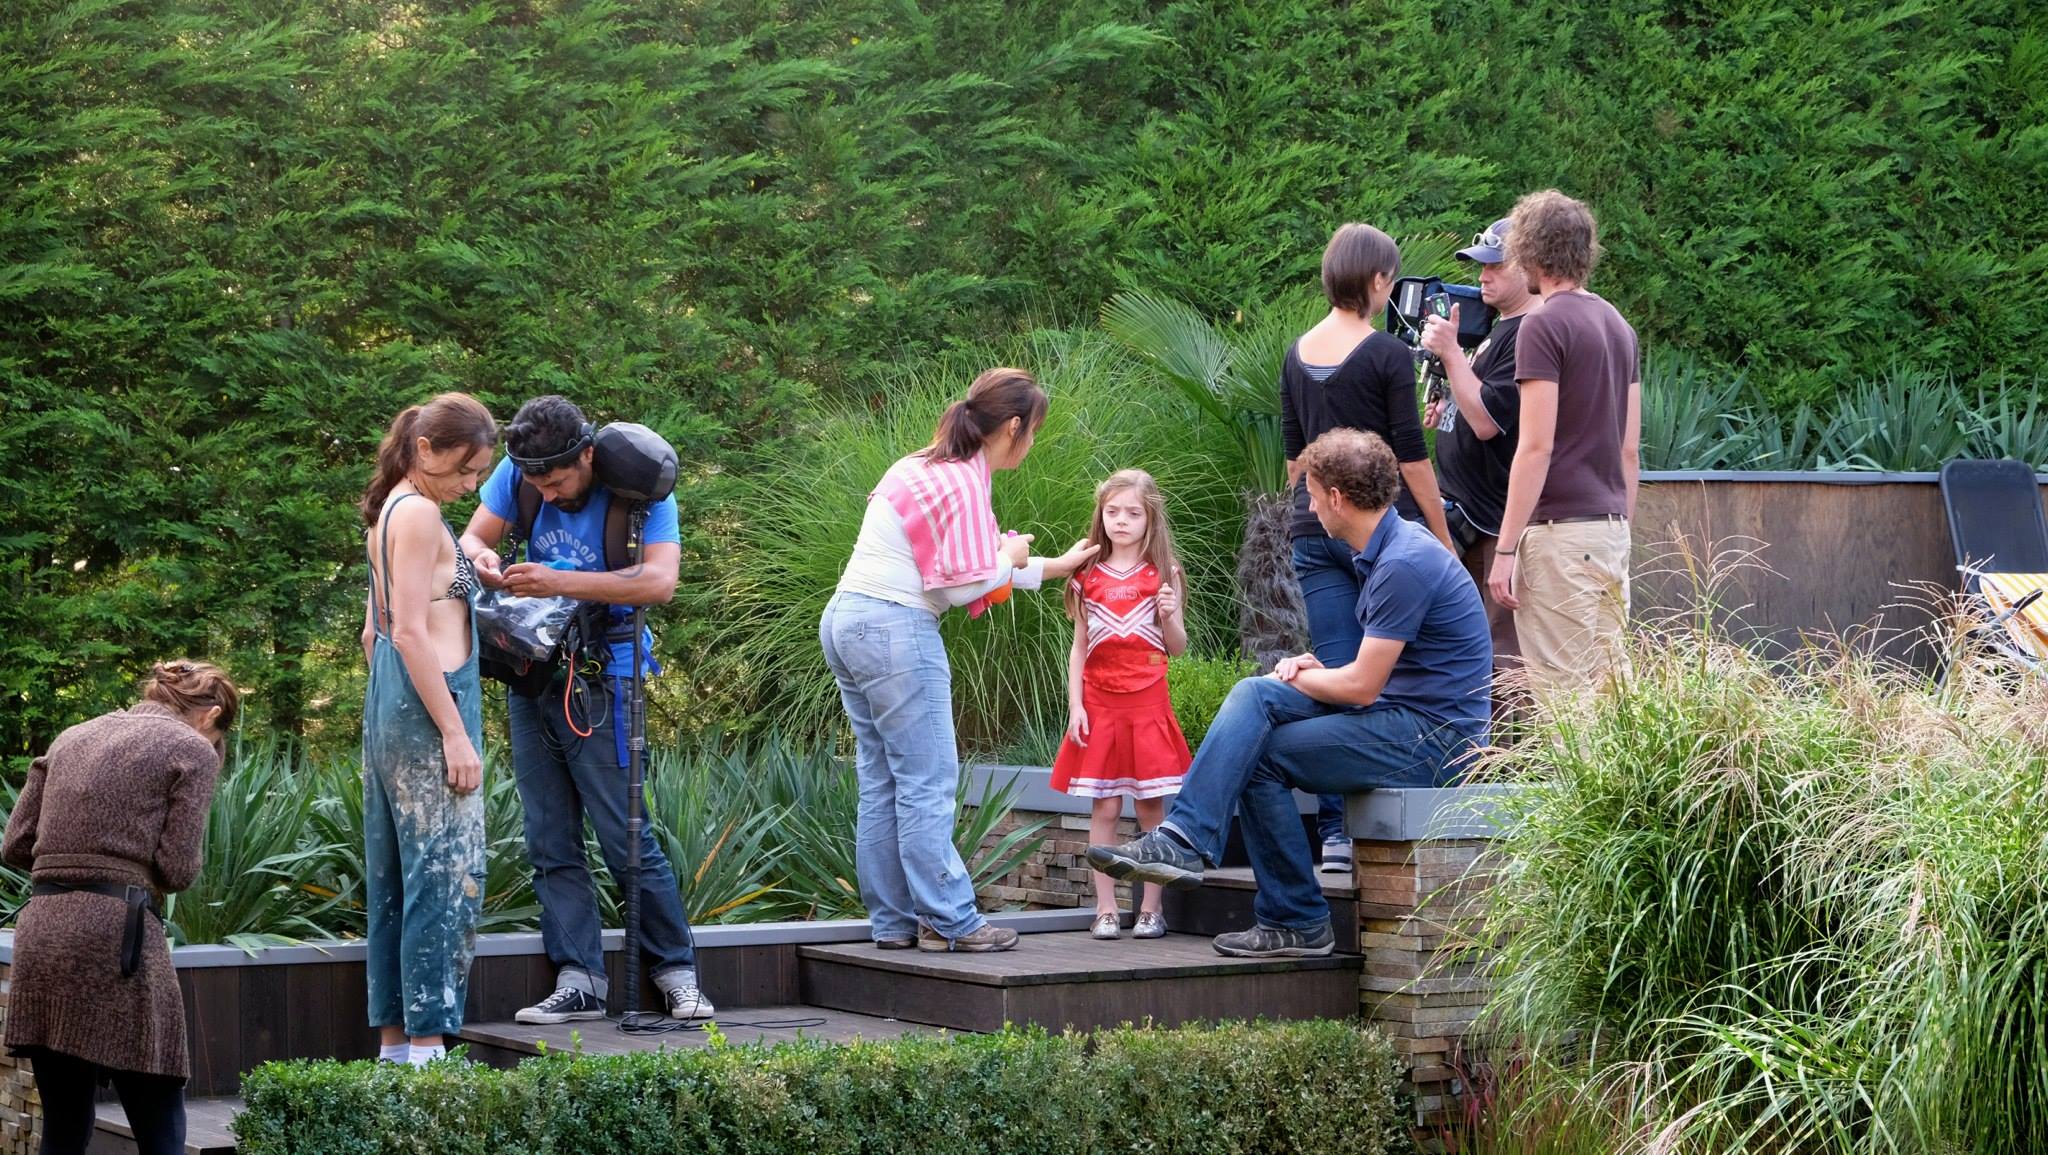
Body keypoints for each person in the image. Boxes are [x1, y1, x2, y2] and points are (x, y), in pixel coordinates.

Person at [1087, 429, 1491, 958]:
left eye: (1312, 495)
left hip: (1433, 741)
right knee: (1257, 699)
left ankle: (1273, 903)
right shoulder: (1385, 550)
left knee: (1262, 739)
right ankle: (1206, 855)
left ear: (1337, 499)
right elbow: (1379, 669)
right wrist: (1315, 666)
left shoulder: (1403, 562)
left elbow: (1363, 687)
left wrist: (1302, 676)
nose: (1309, 507)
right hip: (1400, 714)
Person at [822, 367, 1098, 953]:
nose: (1032, 442)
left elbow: (982, 565)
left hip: (846, 619)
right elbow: (962, 586)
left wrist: (1054, 564)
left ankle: (895, 923)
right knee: (928, 783)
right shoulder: (965, 484)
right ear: (1014, 427)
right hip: (897, 626)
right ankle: (952, 919)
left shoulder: (924, 465)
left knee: (882, 782)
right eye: (1034, 431)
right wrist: (1010, 551)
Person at [458, 395, 707, 1023]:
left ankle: (676, 973)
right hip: (532, 666)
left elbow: (659, 583)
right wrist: (484, 561)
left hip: (606, 675)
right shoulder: (518, 472)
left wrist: (557, 581)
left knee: (626, 834)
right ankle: (580, 980)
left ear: (587, 454)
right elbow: (472, 539)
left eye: (558, 479)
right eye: (536, 481)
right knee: (549, 836)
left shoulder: (642, 488)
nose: (547, 491)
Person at [4, 661, 240, 1155]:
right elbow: (177, 869)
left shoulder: (72, 736)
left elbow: (16, 846)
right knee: (161, 1130)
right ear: (211, 714)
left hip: (43, 936)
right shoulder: (191, 750)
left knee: (65, 1127)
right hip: (117, 943)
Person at [1280, 223, 1454, 877]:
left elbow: (1295, 457)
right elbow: (1412, 457)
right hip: (1380, 538)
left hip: (1314, 529)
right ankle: (1381, 819)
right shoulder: (1386, 354)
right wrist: (1440, 535)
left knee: (1335, 672)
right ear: (1379, 281)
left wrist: (1314, 508)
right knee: (1384, 676)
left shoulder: (1295, 353)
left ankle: (1335, 835)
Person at [359, 393, 497, 1065]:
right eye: (463, 469)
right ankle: (427, 1050)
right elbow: (410, 629)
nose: (469, 485)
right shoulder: (417, 513)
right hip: (431, 704)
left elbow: (374, 630)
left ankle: (395, 1049)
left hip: (395, 701)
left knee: (394, 878)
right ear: (425, 451)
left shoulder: (392, 509)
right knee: (446, 876)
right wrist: (451, 731)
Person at [1487, 190, 1641, 694]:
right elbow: (1628, 450)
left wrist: (1505, 550)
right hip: (1612, 532)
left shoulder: (1542, 324)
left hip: (1559, 538)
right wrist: (1621, 532)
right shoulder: (1619, 325)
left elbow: (1535, 446)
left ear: (1530, 252)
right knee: (1614, 703)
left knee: (1565, 706)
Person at [1049, 469, 1191, 941]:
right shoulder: (1085, 576)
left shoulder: (1165, 573)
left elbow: (1177, 647)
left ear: (1150, 517)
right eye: (1112, 511)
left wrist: (1170, 616)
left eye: (1133, 512)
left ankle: (1151, 908)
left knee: (1152, 806)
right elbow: (1079, 645)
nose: (1121, 521)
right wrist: (1076, 704)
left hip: (1148, 701)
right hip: (1099, 704)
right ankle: (1106, 908)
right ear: (1101, 514)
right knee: (1105, 808)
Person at [1420, 217, 1537, 676]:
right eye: (1479, 267)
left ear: (1528, 269)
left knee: (1500, 652)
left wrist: (1451, 354)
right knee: (1463, 646)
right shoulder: (1495, 329)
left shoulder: (1529, 331)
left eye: (1495, 266)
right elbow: (1476, 404)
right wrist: (1448, 405)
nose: (1482, 276)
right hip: (1463, 513)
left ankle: (1507, 749)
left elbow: (1490, 422)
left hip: (1493, 522)